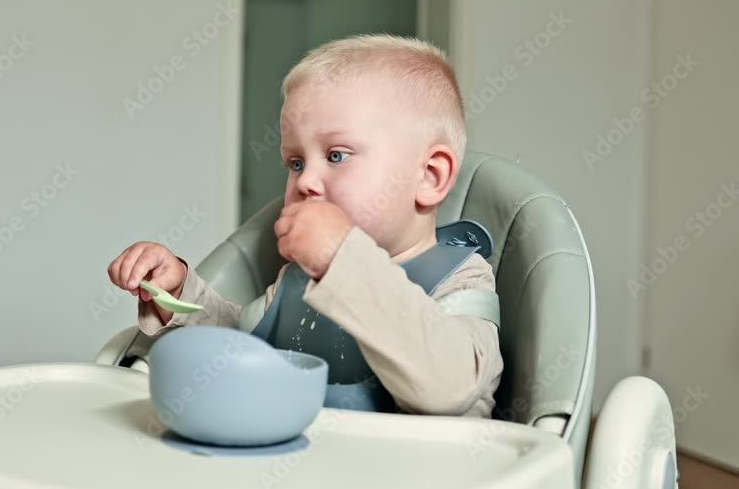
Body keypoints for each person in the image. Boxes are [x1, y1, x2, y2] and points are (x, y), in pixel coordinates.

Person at [107, 34, 503, 417]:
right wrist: (177, 294)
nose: (305, 181)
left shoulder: (461, 280)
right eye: (295, 163)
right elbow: (239, 350)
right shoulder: (297, 278)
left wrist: (342, 261)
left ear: (429, 177)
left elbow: (450, 388)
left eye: (336, 155)